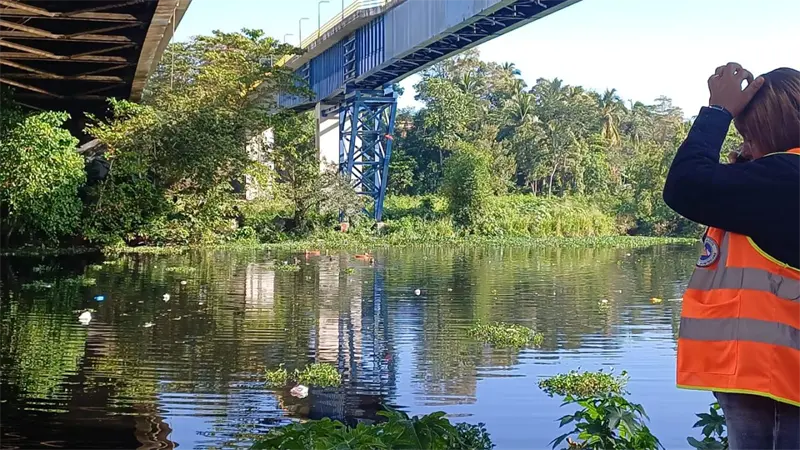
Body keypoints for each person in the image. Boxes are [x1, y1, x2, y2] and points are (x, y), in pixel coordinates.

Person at [664, 63, 800, 449]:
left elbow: (686, 186)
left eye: (748, 132)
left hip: (775, 383)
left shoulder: (785, 177)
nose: (745, 143)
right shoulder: (781, 179)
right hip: (775, 379)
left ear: (769, 127)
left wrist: (718, 111)